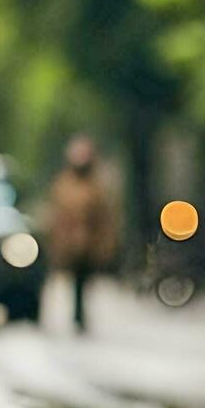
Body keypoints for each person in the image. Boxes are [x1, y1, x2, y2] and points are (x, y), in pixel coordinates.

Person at [45, 135, 118, 332]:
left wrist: (104, 243)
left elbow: (105, 217)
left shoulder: (97, 186)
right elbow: (56, 215)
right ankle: (77, 315)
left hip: (89, 243)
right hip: (69, 243)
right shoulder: (63, 184)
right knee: (74, 281)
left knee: (84, 280)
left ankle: (80, 315)